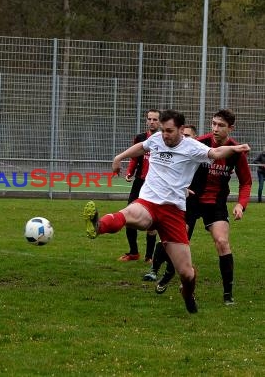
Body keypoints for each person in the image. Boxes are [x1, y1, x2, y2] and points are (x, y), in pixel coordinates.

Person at [83, 109, 251, 313]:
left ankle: (188, 293)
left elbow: (215, 153)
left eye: (169, 131)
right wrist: (120, 157)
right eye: (163, 130)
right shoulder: (157, 139)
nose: (165, 135)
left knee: (187, 273)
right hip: (149, 202)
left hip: (175, 212)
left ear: (181, 129)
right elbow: (141, 147)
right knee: (129, 215)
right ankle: (97, 225)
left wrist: (236, 149)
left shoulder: (192, 146)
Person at [151, 110, 252, 306]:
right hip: (191, 199)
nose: (215, 128)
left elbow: (246, 182)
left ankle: (227, 294)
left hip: (216, 203)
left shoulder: (235, 151)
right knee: (178, 239)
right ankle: (167, 273)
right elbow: (177, 162)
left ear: (231, 128)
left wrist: (241, 204)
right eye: (213, 124)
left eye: (220, 125)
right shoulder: (201, 143)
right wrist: (180, 185)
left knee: (222, 242)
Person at [142, 123, 197, 282]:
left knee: (181, 241)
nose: (184, 138)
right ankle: (154, 270)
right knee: (167, 238)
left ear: (195, 139)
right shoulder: (175, 152)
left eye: (188, 136)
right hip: (174, 200)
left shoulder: (198, 153)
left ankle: (169, 272)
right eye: (183, 135)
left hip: (192, 202)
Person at [121, 109, 160, 262]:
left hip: (155, 185)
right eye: (149, 119)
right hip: (139, 181)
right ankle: (133, 252)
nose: (152, 122)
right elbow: (134, 157)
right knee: (128, 214)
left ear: (160, 122)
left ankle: (149, 257)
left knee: (152, 220)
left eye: (155, 119)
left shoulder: (164, 139)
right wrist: (130, 172)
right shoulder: (140, 138)